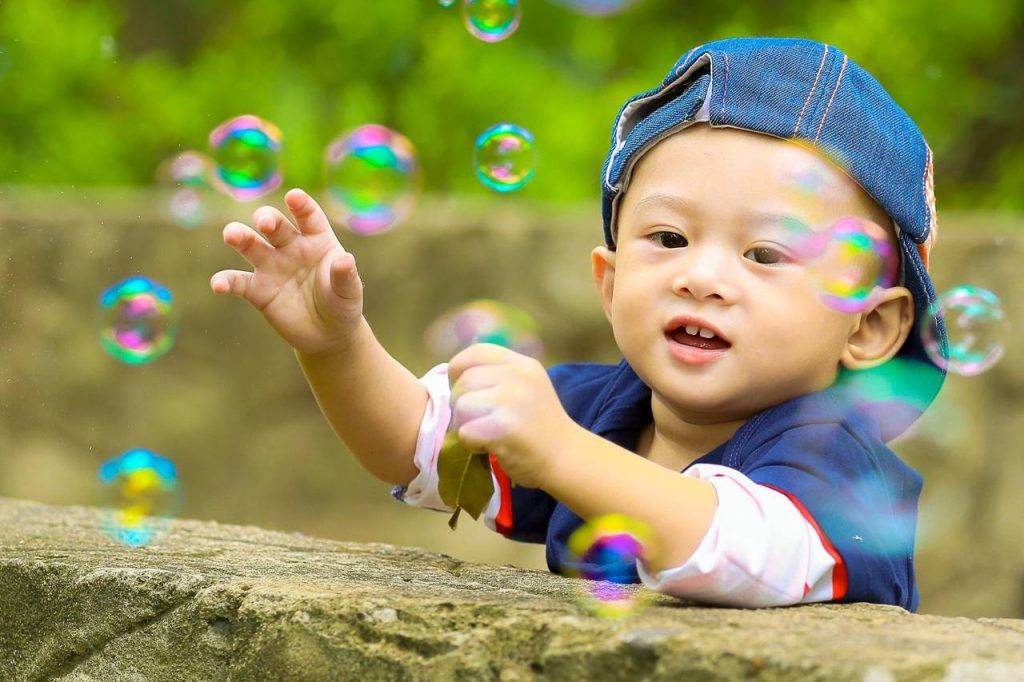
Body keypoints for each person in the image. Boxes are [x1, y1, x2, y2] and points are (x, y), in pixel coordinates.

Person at [210, 37, 947, 611]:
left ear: (868, 327)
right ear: (611, 278)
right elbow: (417, 446)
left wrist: (557, 452)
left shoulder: (838, 459)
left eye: (763, 252)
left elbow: (736, 547)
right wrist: (339, 348)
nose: (701, 276)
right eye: (668, 239)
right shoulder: (595, 409)